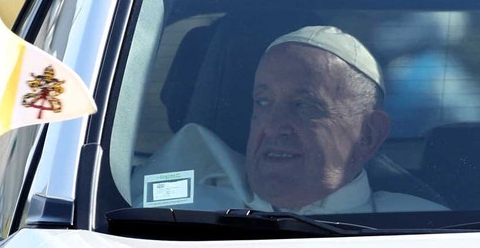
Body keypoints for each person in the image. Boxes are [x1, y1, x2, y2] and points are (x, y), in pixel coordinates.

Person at [133, 25, 445, 213]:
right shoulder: (171, 217)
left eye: (304, 105)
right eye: (263, 102)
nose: (271, 126)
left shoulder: (436, 236)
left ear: (367, 133)